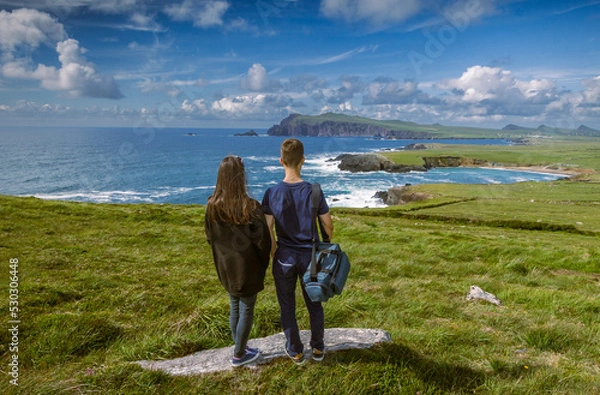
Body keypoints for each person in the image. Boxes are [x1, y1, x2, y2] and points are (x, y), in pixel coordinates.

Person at [262, 138, 334, 365]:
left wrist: (274, 251)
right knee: (314, 303)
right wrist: (326, 242)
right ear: (303, 160)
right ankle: (318, 348)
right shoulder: (314, 191)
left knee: (287, 306)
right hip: (310, 256)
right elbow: (328, 224)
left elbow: (268, 230)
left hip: (284, 256)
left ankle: (295, 350)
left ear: (281, 161)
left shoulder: (272, 192)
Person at [205, 155, 271, 367]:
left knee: (235, 306)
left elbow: (209, 237)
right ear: (240, 177)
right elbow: (263, 242)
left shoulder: (211, 206)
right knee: (246, 309)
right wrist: (263, 265)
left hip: (225, 267)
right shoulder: (250, 207)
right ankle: (239, 354)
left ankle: (239, 346)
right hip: (247, 267)